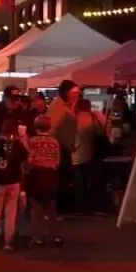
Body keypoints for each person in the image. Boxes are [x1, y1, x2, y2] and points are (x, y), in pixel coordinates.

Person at [0, 119, 28, 251]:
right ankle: (9, 240)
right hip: (13, 180)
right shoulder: (17, 145)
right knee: (10, 211)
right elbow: (25, 160)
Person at [25, 114, 62, 245]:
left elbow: (29, 160)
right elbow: (57, 162)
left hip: (37, 175)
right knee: (51, 208)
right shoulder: (54, 142)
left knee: (36, 208)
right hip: (51, 175)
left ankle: (37, 237)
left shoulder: (32, 141)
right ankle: (56, 236)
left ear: (35, 127)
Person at [48, 80, 80, 214]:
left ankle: (63, 207)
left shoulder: (67, 105)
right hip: (60, 147)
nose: (76, 95)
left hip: (65, 146)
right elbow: (52, 128)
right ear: (66, 92)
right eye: (74, 93)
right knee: (62, 177)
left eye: (78, 93)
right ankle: (60, 209)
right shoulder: (58, 107)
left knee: (65, 177)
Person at [72, 98, 108, 216]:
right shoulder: (92, 118)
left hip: (75, 155)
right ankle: (92, 206)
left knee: (79, 183)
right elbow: (101, 132)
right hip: (90, 153)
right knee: (91, 182)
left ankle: (80, 207)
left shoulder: (73, 118)